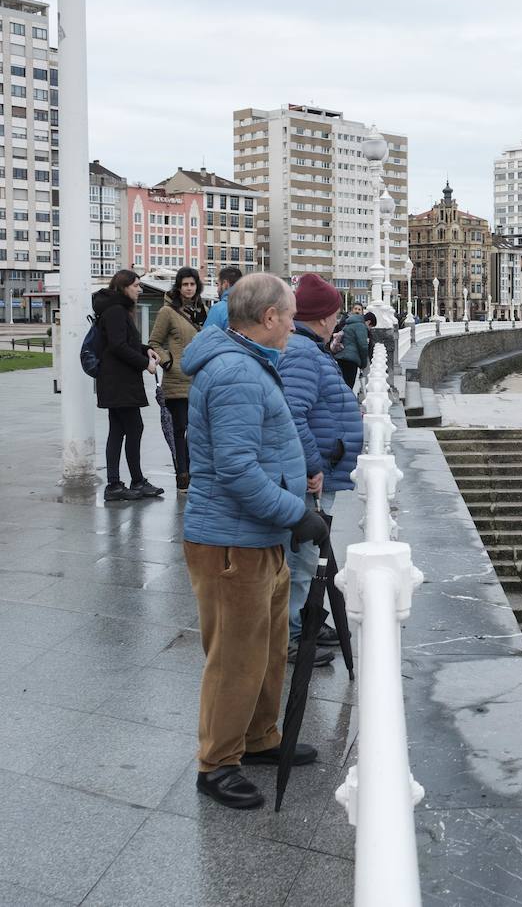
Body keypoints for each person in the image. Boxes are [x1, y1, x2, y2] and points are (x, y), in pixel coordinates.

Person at [179, 273, 330, 810]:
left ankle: (260, 737)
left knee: (266, 649)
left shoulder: (249, 365)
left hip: (257, 537)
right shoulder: (237, 374)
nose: (295, 324)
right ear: (268, 318)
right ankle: (217, 763)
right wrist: (298, 515)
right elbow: (238, 470)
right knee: (236, 658)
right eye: (290, 315)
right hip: (230, 544)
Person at [279, 274, 363, 667]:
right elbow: (293, 413)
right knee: (304, 559)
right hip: (313, 475)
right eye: (335, 311)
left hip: (320, 470)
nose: (338, 319)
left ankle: (306, 622)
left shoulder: (308, 348)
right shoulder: (302, 351)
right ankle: (293, 635)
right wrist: (313, 465)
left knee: (310, 556)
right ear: (325, 316)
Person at [92, 269, 164, 502]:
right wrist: (146, 363)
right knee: (133, 428)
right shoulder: (115, 311)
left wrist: (145, 349)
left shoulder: (117, 309)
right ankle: (131, 482)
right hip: (118, 382)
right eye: (136, 285)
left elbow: (126, 342)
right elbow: (117, 346)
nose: (139, 290)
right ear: (124, 287)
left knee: (120, 430)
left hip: (118, 381)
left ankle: (120, 483)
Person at [149, 267, 204, 492]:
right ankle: (182, 474)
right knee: (179, 429)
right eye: (185, 285)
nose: (188, 288)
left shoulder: (203, 311)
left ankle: (193, 472)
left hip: (199, 381)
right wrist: (166, 361)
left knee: (196, 430)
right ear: (178, 287)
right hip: (176, 380)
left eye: (192, 284)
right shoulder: (167, 312)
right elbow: (154, 342)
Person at [335, 303, 371, 388]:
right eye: (356, 309)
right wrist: (363, 363)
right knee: (348, 386)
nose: (357, 311)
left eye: (359, 309)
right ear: (352, 310)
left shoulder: (346, 323)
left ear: (362, 312)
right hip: (351, 360)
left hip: (340, 358)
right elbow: (363, 346)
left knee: (341, 385)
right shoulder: (360, 326)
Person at [201, 266, 243, 330]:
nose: (217, 290)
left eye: (218, 284)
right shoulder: (252, 308)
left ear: (225, 284)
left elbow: (206, 338)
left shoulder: (219, 309)